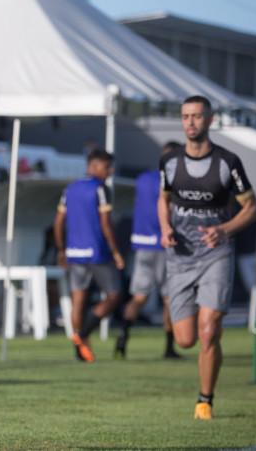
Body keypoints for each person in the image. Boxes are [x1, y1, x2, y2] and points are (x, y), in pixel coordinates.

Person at [158, 95, 256, 420]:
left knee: (207, 331)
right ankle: (209, 333)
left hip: (216, 253)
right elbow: (164, 200)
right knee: (185, 339)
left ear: (210, 120)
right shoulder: (170, 162)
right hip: (180, 257)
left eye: (197, 116)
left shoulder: (228, 162)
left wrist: (225, 230)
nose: (190, 122)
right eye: (186, 116)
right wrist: (164, 228)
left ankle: (205, 401)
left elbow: (251, 208)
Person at [53, 149, 125, 363]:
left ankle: (78, 352)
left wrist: (60, 249)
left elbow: (58, 222)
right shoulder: (101, 188)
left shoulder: (70, 188)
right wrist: (116, 251)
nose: (110, 171)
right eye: (107, 167)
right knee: (114, 296)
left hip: (74, 253)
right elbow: (105, 223)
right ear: (93, 166)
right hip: (97, 252)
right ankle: (84, 333)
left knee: (78, 301)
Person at [115, 141, 183, 360]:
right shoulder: (173, 181)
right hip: (164, 245)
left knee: (138, 296)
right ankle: (169, 348)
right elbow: (169, 209)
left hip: (141, 245)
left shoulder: (143, 178)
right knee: (168, 298)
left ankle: (123, 338)